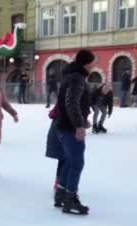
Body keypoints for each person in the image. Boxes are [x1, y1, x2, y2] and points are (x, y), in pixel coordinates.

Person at [54, 50, 95, 215]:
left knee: (69, 161)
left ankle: (61, 194)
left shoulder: (71, 76)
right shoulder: (77, 78)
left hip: (63, 126)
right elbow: (71, 103)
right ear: (86, 63)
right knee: (77, 162)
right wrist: (79, 125)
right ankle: (70, 199)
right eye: (93, 62)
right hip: (70, 128)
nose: (94, 65)